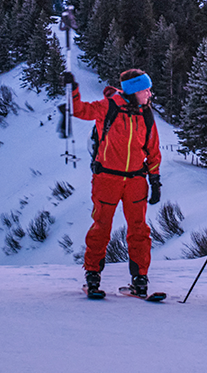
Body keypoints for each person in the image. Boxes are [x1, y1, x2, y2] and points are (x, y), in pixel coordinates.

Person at [66, 68, 162, 298]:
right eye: (145, 90)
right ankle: (92, 276)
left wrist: (155, 179)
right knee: (101, 227)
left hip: (136, 181)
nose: (149, 94)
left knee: (139, 230)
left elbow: (153, 150)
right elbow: (78, 110)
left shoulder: (146, 114)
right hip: (107, 178)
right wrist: (73, 89)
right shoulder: (108, 107)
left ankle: (140, 279)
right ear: (133, 92)